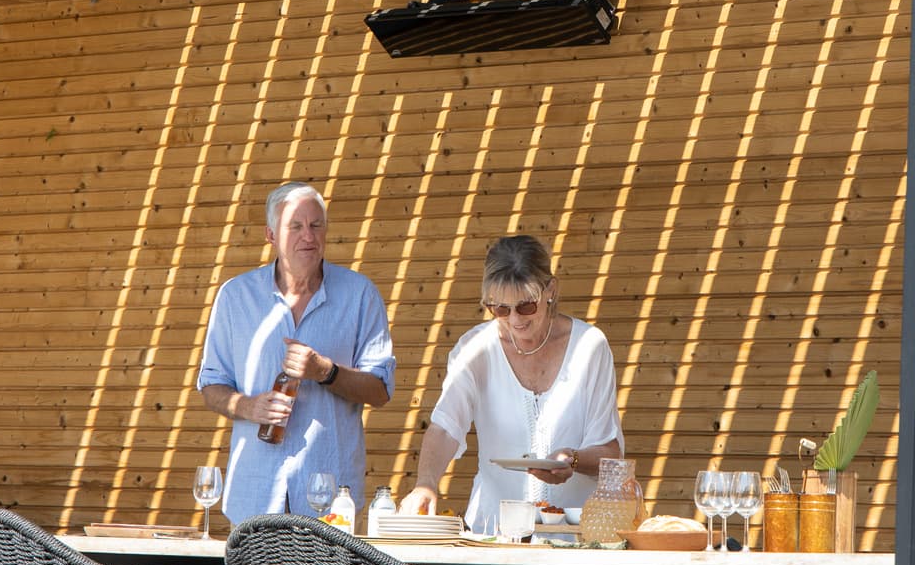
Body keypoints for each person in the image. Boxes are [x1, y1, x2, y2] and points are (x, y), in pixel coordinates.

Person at [197, 181, 396, 523]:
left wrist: (325, 371)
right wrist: (248, 406)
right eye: (295, 226)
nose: (309, 236)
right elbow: (211, 385)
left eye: (316, 225)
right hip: (254, 493)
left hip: (331, 500)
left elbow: (380, 390)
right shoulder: (235, 297)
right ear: (271, 235)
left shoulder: (360, 295)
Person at [399, 234, 623, 532]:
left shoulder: (589, 347)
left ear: (550, 291)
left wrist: (573, 460)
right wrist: (426, 484)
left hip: (573, 540)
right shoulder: (475, 348)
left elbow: (609, 453)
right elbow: (444, 427)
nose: (514, 319)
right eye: (500, 309)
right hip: (492, 536)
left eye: (526, 306)